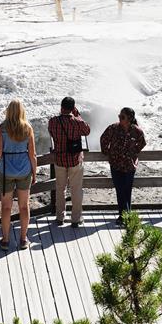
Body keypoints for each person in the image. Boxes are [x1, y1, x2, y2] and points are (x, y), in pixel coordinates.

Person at [0, 100, 37, 251]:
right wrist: (34, 173)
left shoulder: (2, 128)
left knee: (6, 207)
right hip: (24, 170)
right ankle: (23, 240)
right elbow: (32, 155)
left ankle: (5, 240)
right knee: (24, 206)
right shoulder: (27, 128)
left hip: (6, 171)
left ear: (8, 111)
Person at [47, 96, 91, 227]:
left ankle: (60, 217)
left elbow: (51, 133)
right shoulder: (77, 122)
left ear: (61, 107)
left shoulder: (53, 121)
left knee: (60, 189)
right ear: (73, 108)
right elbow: (87, 131)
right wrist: (77, 115)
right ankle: (76, 219)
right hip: (75, 160)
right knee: (76, 190)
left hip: (60, 160)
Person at [100, 107, 147, 225]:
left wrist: (133, 152)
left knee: (126, 191)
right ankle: (125, 216)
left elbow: (142, 142)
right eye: (119, 116)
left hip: (129, 165)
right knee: (120, 190)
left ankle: (124, 216)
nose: (120, 119)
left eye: (122, 117)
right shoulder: (113, 128)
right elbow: (103, 139)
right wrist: (108, 152)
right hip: (116, 165)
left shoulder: (137, 131)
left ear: (129, 118)